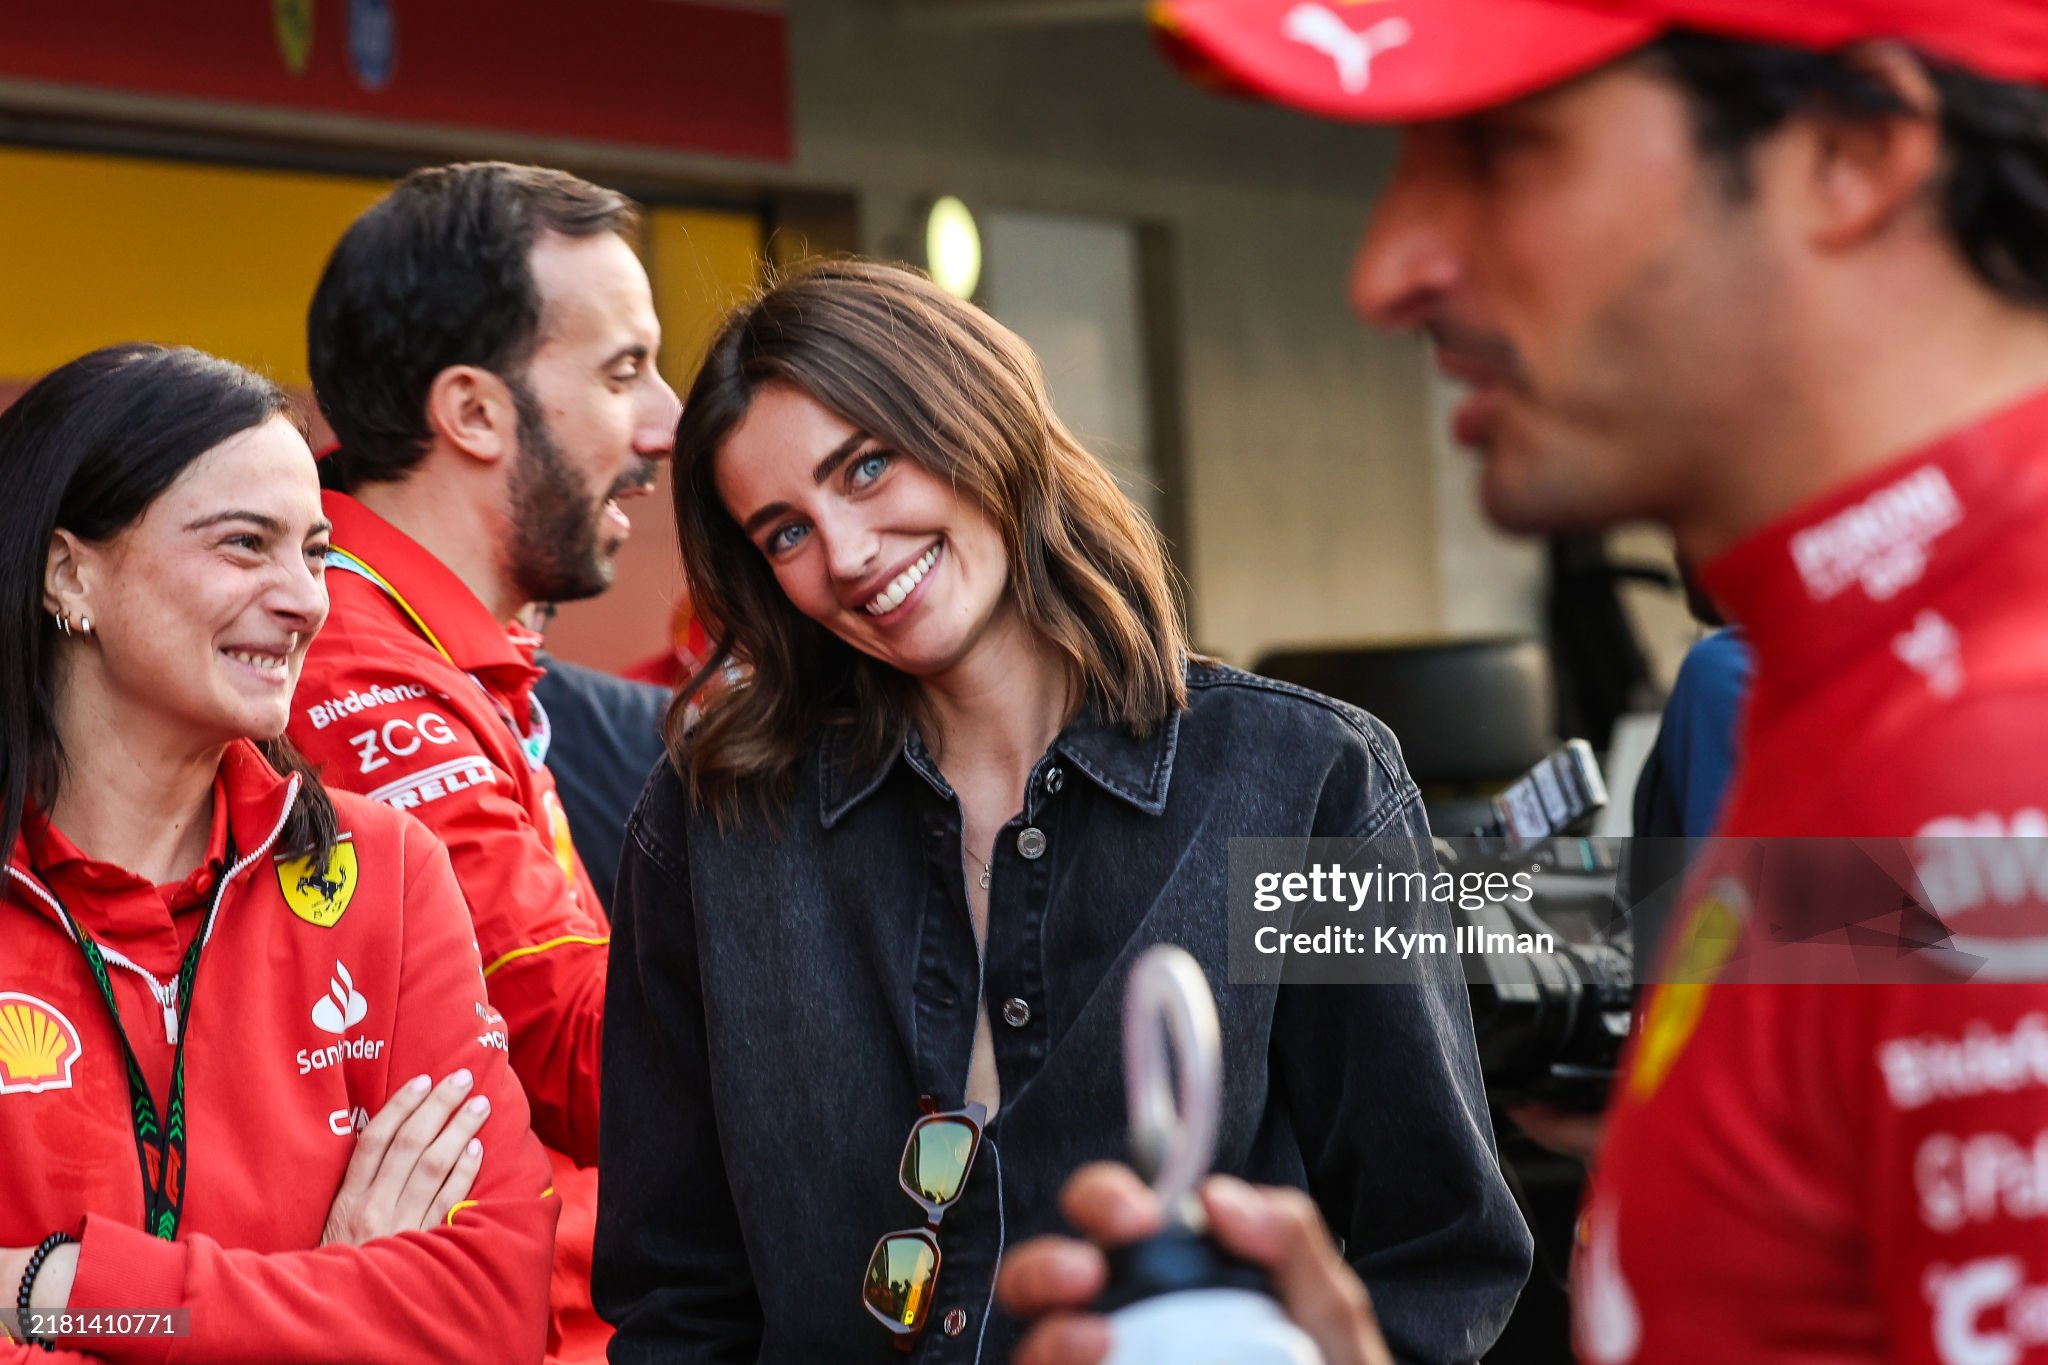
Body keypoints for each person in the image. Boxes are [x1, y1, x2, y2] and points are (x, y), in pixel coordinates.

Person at [1012, 0, 2048, 1360]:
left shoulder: (1986, 753)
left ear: (1857, 151)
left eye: (1502, 150)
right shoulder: (1840, 694)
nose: (1387, 269)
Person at [593, 259, 1531, 1363]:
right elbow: (678, 1297)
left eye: (866, 467)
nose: (843, 556)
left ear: (974, 423)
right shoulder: (716, 826)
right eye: (784, 532)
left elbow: (1431, 1255)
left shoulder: (1301, 781)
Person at [0, 343, 556, 1360]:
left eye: (314, 552)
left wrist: (60, 1288)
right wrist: (332, 1292)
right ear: (67, 570)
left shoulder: (386, 869)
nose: (306, 599)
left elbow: (490, 1309)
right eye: (245, 545)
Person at [294, 161, 680, 1362]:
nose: (665, 420)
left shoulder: (431, 647)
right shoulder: (351, 664)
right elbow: (580, 1055)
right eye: (623, 372)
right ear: (471, 413)